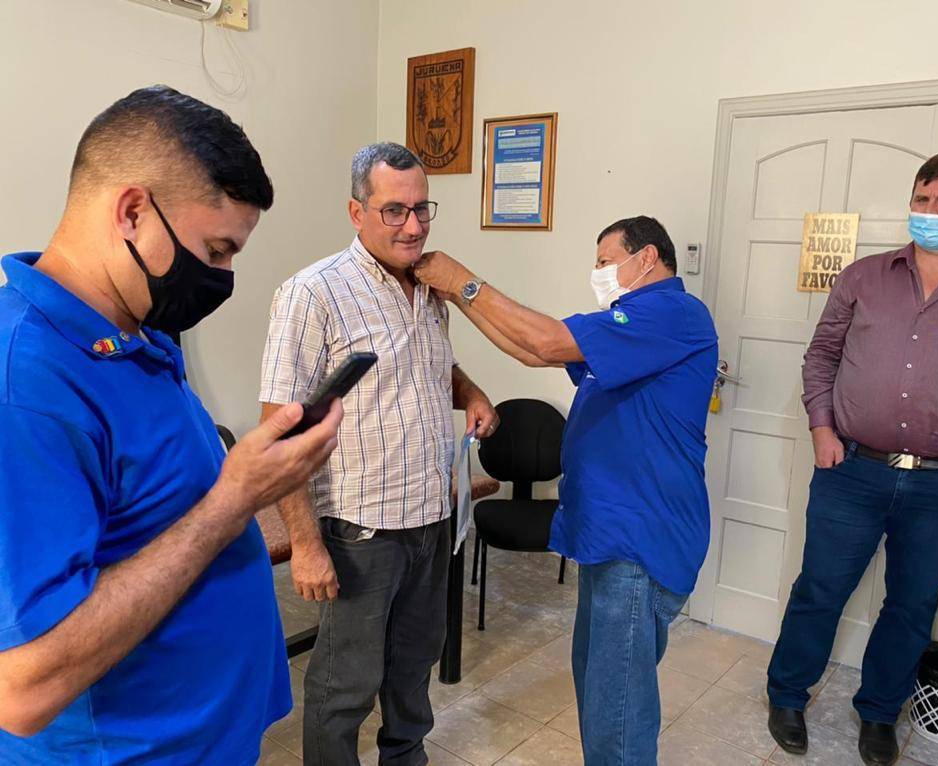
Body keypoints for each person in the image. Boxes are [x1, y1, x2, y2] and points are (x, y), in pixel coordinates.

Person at [0, 85, 342, 765]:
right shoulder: (27, 386)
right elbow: (23, 689)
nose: (223, 276)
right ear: (133, 211)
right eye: (215, 251)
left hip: (208, 737)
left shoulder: (140, 334)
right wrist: (235, 499)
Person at [413, 215, 718, 766]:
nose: (598, 272)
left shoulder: (671, 314)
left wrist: (462, 280)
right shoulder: (629, 328)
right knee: (597, 686)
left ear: (647, 258)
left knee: (616, 714)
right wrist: (457, 298)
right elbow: (533, 352)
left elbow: (547, 339)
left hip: (639, 542)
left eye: (605, 261)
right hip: (605, 534)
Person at [766, 152, 938, 766]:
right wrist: (822, 429)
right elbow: (821, 357)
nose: (929, 212)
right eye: (921, 199)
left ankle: (880, 713)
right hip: (851, 471)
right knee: (820, 590)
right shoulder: (864, 277)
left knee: (912, 606)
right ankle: (787, 696)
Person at [259, 142, 497, 766]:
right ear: (356, 212)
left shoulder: (431, 286)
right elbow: (279, 431)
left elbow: (432, 365)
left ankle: (405, 757)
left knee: (413, 668)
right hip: (360, 529)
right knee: (345, 686)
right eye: (395, 211)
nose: (413, 226)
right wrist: (305, 544)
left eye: (422, 209)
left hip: (431, 516)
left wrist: (471, 392)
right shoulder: (313, 294)